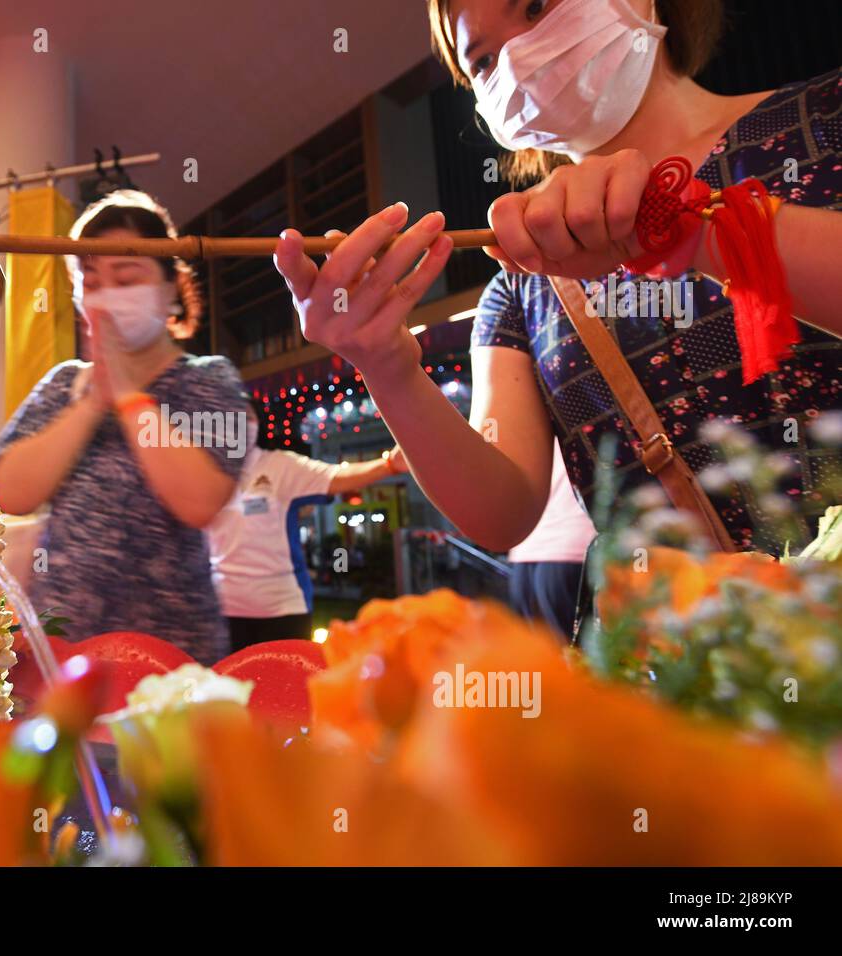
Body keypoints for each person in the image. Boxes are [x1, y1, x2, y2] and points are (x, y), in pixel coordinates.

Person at [273, 0, 842, 556]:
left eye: (535, 7)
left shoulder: (822, 120)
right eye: (483, 62)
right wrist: (385, 366)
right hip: (661, 644)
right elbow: (501, 513)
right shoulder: (523, 277)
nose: (519, 59)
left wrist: (678, 223)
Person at [0, 190, 251, 664]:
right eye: (90, 281)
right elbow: (8, 491)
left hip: (171, 663)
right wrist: (93, 402)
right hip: (59, 654)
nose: (106, 295)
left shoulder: (211, 379)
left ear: (172, 287)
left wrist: (130, 396)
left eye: (126, 277)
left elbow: (200, 500)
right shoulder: (65, 383)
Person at [206, 397, 410, 651]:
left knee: (285, 688)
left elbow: (334, 476)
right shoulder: (203, 472)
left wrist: (388, 465)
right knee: (227, 690)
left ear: (258, 424)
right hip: (222, 611)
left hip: (281, 609)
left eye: (247, 417)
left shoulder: (280, 465)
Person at [506, 441, 597, 641]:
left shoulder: (535, 423)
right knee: (588, 667)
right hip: (577, 550)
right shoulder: (591, 416)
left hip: (527, 553)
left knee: (545, 665)